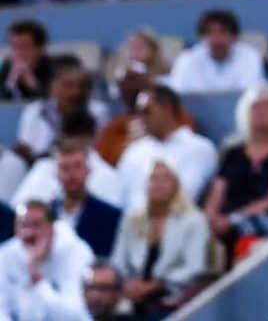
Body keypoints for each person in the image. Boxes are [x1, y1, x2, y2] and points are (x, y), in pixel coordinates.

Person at [203, 85, 268, 256]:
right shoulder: (233, 154)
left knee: (248, 229)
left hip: (266, 221)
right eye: (256, 107)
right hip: (225, 221)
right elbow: (217, 191)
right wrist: (210, 217)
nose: (261, 112)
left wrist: (233, 219)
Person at [111, 157, 209, 317]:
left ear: (176, 184)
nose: (159, 184)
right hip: (132, 294)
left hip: (172, 294)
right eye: (154, 178)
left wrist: (156, 284)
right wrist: (127, 285)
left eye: (165, 178)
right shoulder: (132, 219)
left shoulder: (194, 220)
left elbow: (195, 267)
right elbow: (118, 262)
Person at [117, 84, 218, 206]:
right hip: (133, 222)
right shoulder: (133, 152)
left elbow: (187, 195)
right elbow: (120, 196)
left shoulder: (199, 149)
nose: (141, 118)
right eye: (137, 113)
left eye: (146, 111)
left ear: (167, 109)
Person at [17, 137, 120, 256]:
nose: (72, 175)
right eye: (65, 168)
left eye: (77, 166)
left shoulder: (109, 216)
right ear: (56, 174)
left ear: (88, 170)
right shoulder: (44, 216)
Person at [0, 200, 94, 320]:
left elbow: (76, 315)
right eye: (23, 225)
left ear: (52, 227)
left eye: (36, 225)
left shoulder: (77, 252)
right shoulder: (5, 255)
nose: (29, 233)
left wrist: (37, 280)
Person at [167, 9, 265, 95]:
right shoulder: (187, 60)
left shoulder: (249, 56)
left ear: (234, 37)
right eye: (209, 33)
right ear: (202, 38)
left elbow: (250, 94)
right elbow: (180, 94)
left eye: (222, 32)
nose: (216, 39)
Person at [0, 19, 52, 101]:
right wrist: (10, 83)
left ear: (40, 48)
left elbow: (54, 103)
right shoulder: (7, 67)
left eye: (24, 47)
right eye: (14, 47)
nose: (18, 53)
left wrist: (32, 84)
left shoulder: (54, 68)